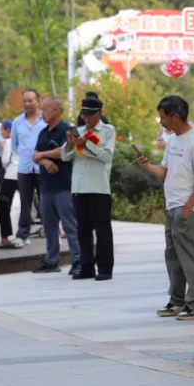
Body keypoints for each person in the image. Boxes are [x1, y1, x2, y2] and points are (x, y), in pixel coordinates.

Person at [138, 95, 194, 321]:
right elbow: (165, 171)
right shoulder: (174, 140)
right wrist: (147, 166)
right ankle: (177, 299)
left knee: (191, 257)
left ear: (176, 116)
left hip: (187, 208)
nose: (161, 122)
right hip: (173, 206)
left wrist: (188, 207)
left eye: (163, 117)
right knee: (173, 257)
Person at [62, 96, 116, 280]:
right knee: (82, 229)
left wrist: (86, 144)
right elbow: (65, 157)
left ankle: (105, 267)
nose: (86, 118)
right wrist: (70, 143)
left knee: (102, 230)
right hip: (79, 186)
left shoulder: (107, 131)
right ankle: (86, 266)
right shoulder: (79, 130)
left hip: (98, 187)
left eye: (90, 115)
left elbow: (106, 156)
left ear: (99, 113)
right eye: (84, 114)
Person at [32, 97, 81, 273]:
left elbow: (66, 151)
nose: (42, 112)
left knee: (70, 225)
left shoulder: (68, 129)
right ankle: (51, 260)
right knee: (49, 226)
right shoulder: (43, 132)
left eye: (45, 109)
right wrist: (45, 162)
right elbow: (35, 155)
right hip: (46, 186)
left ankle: (78, 260)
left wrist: (42, 156)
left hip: (65, 185)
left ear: (56, 111)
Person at [10, 89, 45, 247]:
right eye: (24, 101)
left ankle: (52, 231)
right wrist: (26, 156)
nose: (27, 104)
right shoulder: (17, 122)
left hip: (43, 167)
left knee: (46, 201)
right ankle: (22, 235)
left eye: (30, 100)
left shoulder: (45, 120)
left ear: (38, 101)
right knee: (25, 203)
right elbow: (15, 146)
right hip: (24, 169)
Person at [0, 120, 19, 211]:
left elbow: (5, 160)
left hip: (10, 175)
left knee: (5, 201)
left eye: (2, 130)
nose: (1, 133)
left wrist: (4, 166)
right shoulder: (20, 139)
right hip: (22, 174)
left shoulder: (9, 142)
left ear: (8, 130)